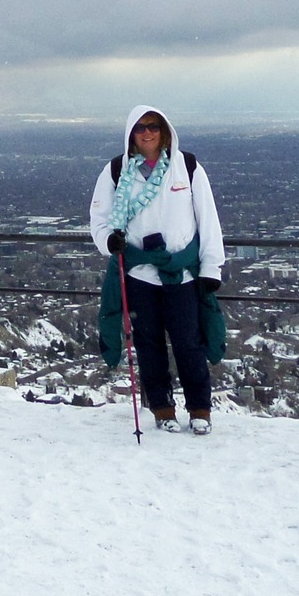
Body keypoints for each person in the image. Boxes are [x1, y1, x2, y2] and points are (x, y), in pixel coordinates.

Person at [89, 106, 225, 434]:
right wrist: (109, 241)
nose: (147, 133)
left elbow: (208, 219)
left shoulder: (187, 166)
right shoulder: (116, 170)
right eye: (140, 128)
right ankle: (162, 409)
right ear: (130, 134)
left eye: (153, 126)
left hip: (182, 273)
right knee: (148, 344)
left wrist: (211, 267)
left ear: (164, 131)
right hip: (139, 274)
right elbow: (99, 219)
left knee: (188, 342)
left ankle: (200, 408)